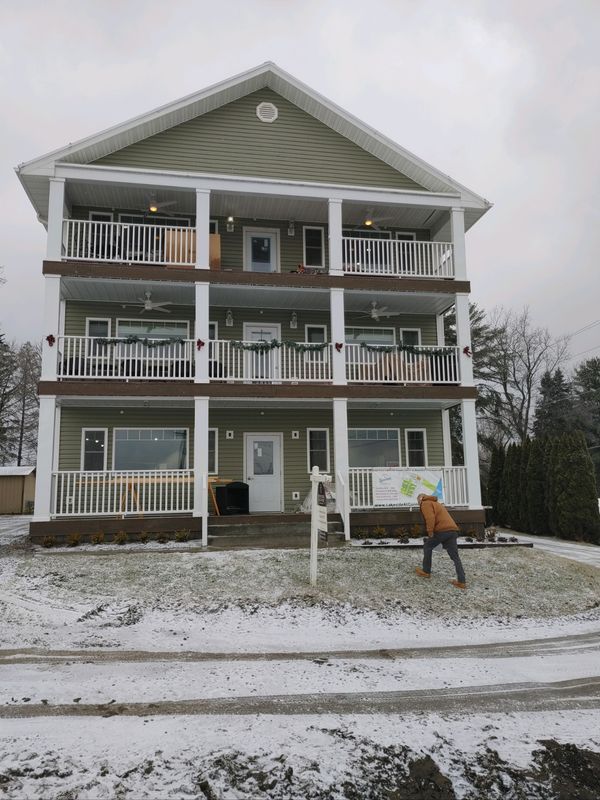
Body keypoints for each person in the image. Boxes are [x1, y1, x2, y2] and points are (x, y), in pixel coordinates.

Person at [415, 493, 466, 589]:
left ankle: (426, 571)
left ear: (421, 499)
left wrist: (430, 531)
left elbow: (430, 518)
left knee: (427, 546)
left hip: (442, 531)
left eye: (417, 501)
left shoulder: (425, 503)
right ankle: (462, 581)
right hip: (452, 531)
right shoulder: (436, 503)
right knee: (455, 557)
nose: (418, 504)